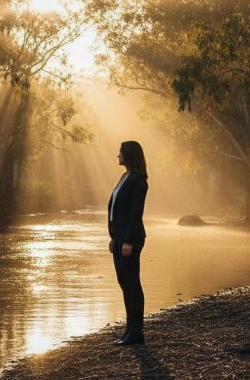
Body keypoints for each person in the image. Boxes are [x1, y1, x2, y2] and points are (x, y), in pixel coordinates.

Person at [108, 140, 149, 346]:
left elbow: (135, 213)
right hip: (119, 239)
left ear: (129, 155)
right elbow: (116, 210)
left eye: (120, 152)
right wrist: (114, 237)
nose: (118, 155)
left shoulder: (139, 180)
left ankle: (137, 331)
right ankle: (129, 329)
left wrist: (128, 241)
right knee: (124, 283)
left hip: (130, 240)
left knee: (132, 283)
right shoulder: (125, 177)